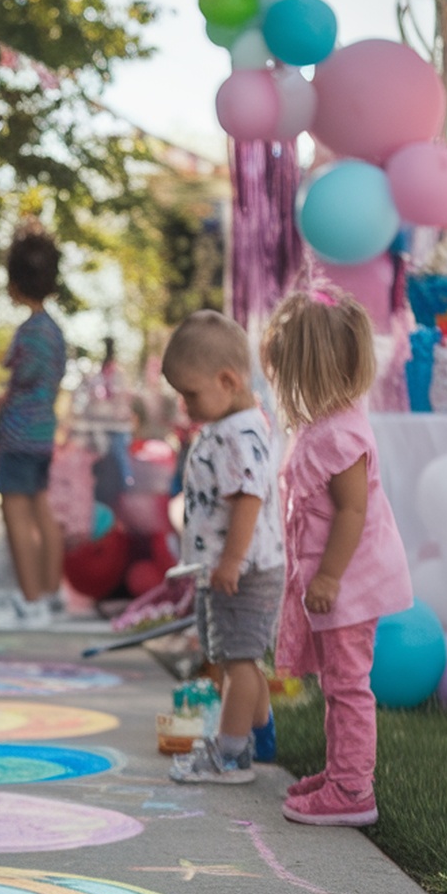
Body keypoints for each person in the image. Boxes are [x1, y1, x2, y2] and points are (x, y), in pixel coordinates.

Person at [262, 289, 412, 826]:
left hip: (348, 583)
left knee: (348, 685)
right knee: (336, 684)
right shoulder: (326, 422)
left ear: (311, 371)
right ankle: (340, 772)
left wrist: (326, 575)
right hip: (336, 584)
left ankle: (353, 793)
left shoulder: (342, 434)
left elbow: (352, 512)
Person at [161, 309, 284, 783]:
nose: (184, 404)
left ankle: (232, 755)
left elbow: (249, 501)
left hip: (244, 570)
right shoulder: (232, 424)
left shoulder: (238, 435)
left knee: (240, 661)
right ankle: (261, 735)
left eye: (190, 393)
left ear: (228, 380)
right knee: (238, 654)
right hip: (232, 568)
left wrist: (231, 561)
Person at [0, 229, 67, 629]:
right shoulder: (56, 332)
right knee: (43, 511)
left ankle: (30, 601)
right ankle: (48, 593)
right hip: (44, 434)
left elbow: (19, 380)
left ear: (13, 284)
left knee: (15, 512)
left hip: (18, 437)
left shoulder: (29, 333)